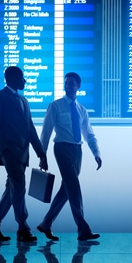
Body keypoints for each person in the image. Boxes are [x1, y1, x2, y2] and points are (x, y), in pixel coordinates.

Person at [0, 66, 48, 243]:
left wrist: (41, 152)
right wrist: (3, 148)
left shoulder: (24, 101)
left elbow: (30, 129)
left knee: (11, 190)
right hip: (10, 152)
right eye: (21, 77)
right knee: (19, 188)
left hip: (22, 153)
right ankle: (23, 228)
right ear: (11, 78)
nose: (24, 80)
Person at [37, 72, 102, 242]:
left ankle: (46, 223)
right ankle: (83, 229)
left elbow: (89, 134)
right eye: (66, 83)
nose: (68, 86)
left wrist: (96, 153)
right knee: (74, 187)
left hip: (77, 151)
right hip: (62, 149)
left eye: (72, 83)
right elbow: (46, 131)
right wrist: (42, 155)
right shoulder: (55, 106)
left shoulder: (81, 109)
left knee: (66, 190)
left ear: (78, 86)